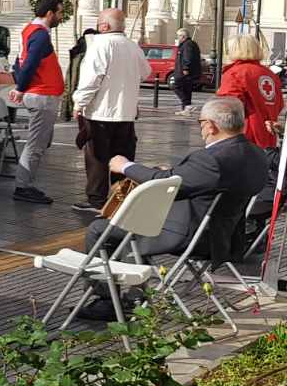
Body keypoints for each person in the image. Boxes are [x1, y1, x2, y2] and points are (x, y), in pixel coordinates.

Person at [76, 97, 269, 320]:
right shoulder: (255, 154)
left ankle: (107, 301)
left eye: (200, 123)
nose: (202, 129)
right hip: (225, 234)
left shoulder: (212, 159)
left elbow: (165, 182)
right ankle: (135, 294)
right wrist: (173, 173)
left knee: (101, 230)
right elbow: (194, 180)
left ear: (211, 125)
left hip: (193, 236)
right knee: (132, 234)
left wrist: (126, 166)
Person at [71, 8, 150, 215]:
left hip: (100, 112)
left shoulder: (100, 45)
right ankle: (120, 199)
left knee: (97, 157)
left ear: (104, 26)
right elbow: (145, 72)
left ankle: (97, 200)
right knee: (122, 157)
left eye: (99, 23)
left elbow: (91, 79)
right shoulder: (133, 47)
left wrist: (79, 103)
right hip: (126, 112)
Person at [8, 0, 65, 205]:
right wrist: (21, 88)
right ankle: (23, 187)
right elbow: (29, 63)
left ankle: (25, 184)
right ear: (49, 13)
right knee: (36, 144)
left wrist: (20, 85)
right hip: (43, 96)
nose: (60, 17)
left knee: (41, 141)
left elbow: (18, 61)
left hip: (40, 94)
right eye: (59, 12)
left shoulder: (29, 31)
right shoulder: (40, 35)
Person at [216, 31, 283, 150]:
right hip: (268, 136)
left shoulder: (235, 73)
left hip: (244, 137)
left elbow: (229, 108)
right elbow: (279, 104)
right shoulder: (270, 74)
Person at [173, 28, 203, 115]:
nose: (177, 38)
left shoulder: (187, 45)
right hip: (188, 72)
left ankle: (187, 105)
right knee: (186, 90)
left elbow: (187, 57)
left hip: (184, 72)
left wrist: (185, 68)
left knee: (176, 86)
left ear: (183, 36)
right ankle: (186, 110)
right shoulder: (189, 43)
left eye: (178, 36)